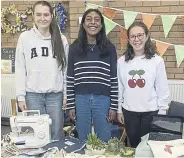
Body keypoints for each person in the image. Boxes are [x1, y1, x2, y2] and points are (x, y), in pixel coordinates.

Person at [15, 1, 69, 140]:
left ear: (51, 16)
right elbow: (20, 69)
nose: (42, 18)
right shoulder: (25, 38)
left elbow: (65, 70)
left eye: (46, 14)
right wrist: (20, 96)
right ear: (33, 16)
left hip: (55, 96)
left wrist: (65, 94)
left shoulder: (61, 39)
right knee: (37, 136)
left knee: (56, 134)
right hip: (33, 96)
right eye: (38, 14)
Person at [66, 8, 118, 142]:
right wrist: (71, 105)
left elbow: (113, 79)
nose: (92, 23)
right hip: (80, 99)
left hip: (103, 100)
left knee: (104, 138)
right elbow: (70, 79)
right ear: (83, 24)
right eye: (88, 19)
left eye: (97, 20)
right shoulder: (74, 48)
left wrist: (113, 106)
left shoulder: (110, 48)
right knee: (83, 138)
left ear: (101, 25)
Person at [117, 21, 169, 148]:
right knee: (134, 147)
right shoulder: (122, 61)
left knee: (149, 148)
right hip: (129, 112)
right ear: (128, 39)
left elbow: (162, 88)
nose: (137, 39)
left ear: (146, 36)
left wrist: (162, 112)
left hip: (151, 113)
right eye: (133, 36)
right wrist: (119, 110)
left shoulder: (157, 61)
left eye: (140, 35)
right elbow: (119, 87)